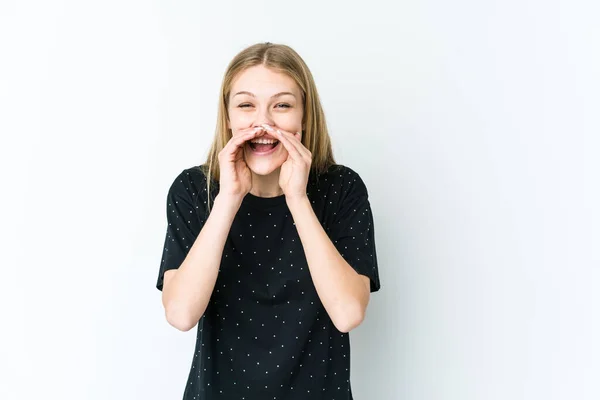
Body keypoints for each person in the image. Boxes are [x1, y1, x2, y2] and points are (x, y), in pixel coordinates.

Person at [156, 42, 381, 400]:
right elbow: (181, 314)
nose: (264, 122)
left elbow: (348, 313)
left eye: (282, 105)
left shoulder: (342, 189)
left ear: (304, 117)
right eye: (246, 105)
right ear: (228, 117)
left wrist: (298, 198)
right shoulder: (194, 190)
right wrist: (229, 198)